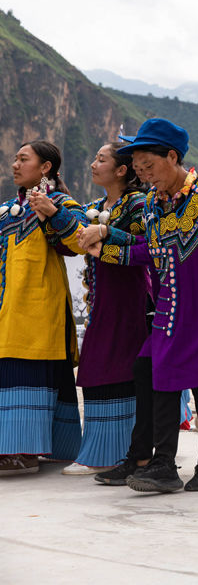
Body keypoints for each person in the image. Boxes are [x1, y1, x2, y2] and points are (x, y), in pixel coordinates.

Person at [82, 118, 198, 493]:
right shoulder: (151, 203)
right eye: (138, 170)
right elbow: (151, 252)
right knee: (150, 368)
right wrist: (107, 248)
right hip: (171, 303)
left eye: (149, 166)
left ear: (172, 156)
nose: (145, 175)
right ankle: (162, 463)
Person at [63, 144, 151, 475]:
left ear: (121, 170)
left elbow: (150, 246)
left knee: (119, 364)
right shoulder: (96, 207)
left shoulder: (138, 205)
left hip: (128, 296)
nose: (92, 163)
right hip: (101, 296)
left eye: (101, 159)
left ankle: (114, 451)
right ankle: (101, 448)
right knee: (99, 362)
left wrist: (108, 233)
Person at [0, 141, 86, 476]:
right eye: (15, 159)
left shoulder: (62, 202)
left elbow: (79, 241)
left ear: (45, 167)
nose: (15, 165)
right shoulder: (8, 210)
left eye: (24, 159)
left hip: (39, 307)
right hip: (9, 307)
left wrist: (52, 213)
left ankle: (24, 451)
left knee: (28, 374)